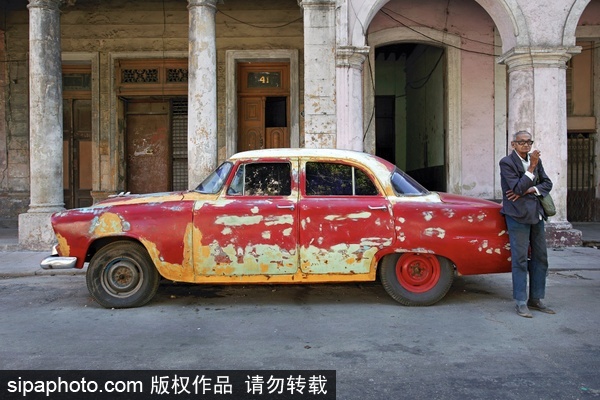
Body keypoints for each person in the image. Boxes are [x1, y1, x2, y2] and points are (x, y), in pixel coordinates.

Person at [499, 130, 555, 318]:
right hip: (517, 216)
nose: (525, 145)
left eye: (528, 142)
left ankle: (536, 299)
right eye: (521, 142)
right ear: (513, 144)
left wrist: (530, 189)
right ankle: (521, 301)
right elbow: (515, 188)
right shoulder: (507, 162)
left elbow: (547, 184)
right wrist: (530, 169)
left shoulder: (535, 160)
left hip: (537, 215)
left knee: (541, 258)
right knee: (520, 259)